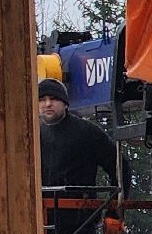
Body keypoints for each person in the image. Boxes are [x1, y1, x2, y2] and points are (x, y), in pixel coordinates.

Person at [40, 77, 122, 234]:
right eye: (42, 99)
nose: (48, 103)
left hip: (80, 224)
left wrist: (114, 211)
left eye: (54, 98)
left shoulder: (87, 132)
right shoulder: (30, 136)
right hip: (40, 222)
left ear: (65, 103)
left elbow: (120, 168)